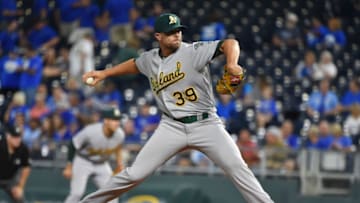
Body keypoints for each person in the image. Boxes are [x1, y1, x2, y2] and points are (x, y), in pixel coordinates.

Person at [80, 13, 273, 203]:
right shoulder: (150, 60)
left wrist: (232, 63)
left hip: (206, 124)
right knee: (134, 174)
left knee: (237, 167)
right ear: (158, 36)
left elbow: (230, 43)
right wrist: (104, 73)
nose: (177, 35)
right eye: (171, 32)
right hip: (171, 127)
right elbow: (135, 64)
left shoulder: (192, 52)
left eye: (179, 31)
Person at [62, 107, 125, 203]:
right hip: (83, 161)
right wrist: (69, 166)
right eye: (114, 120)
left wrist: (119, 163)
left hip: (102, 164)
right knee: (76, 193)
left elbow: (118, 147)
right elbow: (73, 144)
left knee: (112, 194)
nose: (117, 123)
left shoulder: (120, 134)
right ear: (106, 120)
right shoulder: (91, 131)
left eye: (118, 120)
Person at [0, 125, 31, 203]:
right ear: (8, 136)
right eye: (14, 137)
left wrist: (20, 187)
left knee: (19, 197)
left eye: (19, 137)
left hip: (10, 179)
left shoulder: (23, 149)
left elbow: (26, 167)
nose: (17, 140)